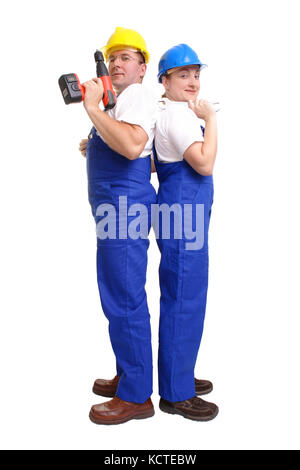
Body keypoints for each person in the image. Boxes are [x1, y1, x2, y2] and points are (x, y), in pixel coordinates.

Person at [80, 27, 157, 425]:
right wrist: (96, 132)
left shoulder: (138, 95)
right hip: (114, 207)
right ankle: (131, 371)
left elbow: (131, 146)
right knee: (117, 290)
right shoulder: (121, 102)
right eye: (112, 58)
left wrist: (93, 111)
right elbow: (131, 142)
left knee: (124, 295)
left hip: (124, 206)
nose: (115, 64)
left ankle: (136, 395)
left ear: (142, 69)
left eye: (125, 57)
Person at [153, 44, 219, 421]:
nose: (193, 81)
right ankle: (176, 394)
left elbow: (154, 158)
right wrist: (211, 120)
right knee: (183, 298)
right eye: (183, 75)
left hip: (182, 213)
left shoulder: (171, 113)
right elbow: (204, 163)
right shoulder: (180, 117)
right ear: (165, 81)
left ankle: (178, 373)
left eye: (196, 74)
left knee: (185, 296)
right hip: (183, 216)